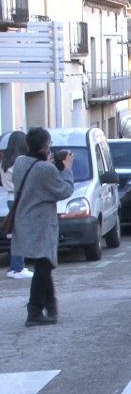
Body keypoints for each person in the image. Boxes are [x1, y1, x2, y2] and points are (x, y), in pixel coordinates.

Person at [11, 127, 74, 327]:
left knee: (42, 263)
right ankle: (35, 311)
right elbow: (64, 190)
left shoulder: (20, 162)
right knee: (44, 265)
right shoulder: (44, 169)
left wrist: (47, 164)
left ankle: (50, 306)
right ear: (45, 146)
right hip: (41, 223)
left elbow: (34, 182)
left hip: (23, 220)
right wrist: (67, 169)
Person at [1, 131, 34, 279]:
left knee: (16, 234)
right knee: (21, 234)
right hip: (19, 198)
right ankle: (19, 267)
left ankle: (15, 267)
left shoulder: (5, 161)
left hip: (10, 197)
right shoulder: (20, 161)